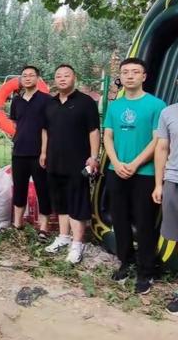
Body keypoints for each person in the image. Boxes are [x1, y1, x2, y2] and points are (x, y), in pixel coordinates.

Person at [104, 57, 166, 294]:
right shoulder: (115, 106)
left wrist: (135, 163)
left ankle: (146, 271)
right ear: (121, 76)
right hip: (116, 170)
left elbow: (158, 141)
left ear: (144, 76)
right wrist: (117, 163)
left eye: (135, 72)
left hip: (145, 173)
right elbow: (108, 136)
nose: (130, 76)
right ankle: (126, 262)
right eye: (125, 72)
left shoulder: (156, 105)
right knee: (119, 219)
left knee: (144, 223)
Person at [42, 64, 100, 264]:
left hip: (78, 162)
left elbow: (94, 131)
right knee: (60, 202)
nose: (62, 79)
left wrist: (94, 156)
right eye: (58, 76)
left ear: (74, 78)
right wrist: (43, 152)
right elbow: (45, 131)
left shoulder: (86, 103)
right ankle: (64, 237)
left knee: (77, 201)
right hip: (54, 161)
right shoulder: (50, 103)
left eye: (66, 75)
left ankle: (77, 243)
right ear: (54, 80)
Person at [9, 65, 52, 241]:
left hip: (38, 154)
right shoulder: (16, 101)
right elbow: (14, 123)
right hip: (19, 152)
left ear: (38, 78)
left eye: (31, 75)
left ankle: (44, 227)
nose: (27, 78)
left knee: (43, 190)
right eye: (24, 75)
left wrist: (44, 152)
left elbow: (47, 128)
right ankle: (17, 224)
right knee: (19, 188)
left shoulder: (46, 100)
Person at [153, 101, 178, 314]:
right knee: (175, 237)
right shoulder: (168, 112)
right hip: (173, 181)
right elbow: (161, 147)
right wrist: (159, 184)